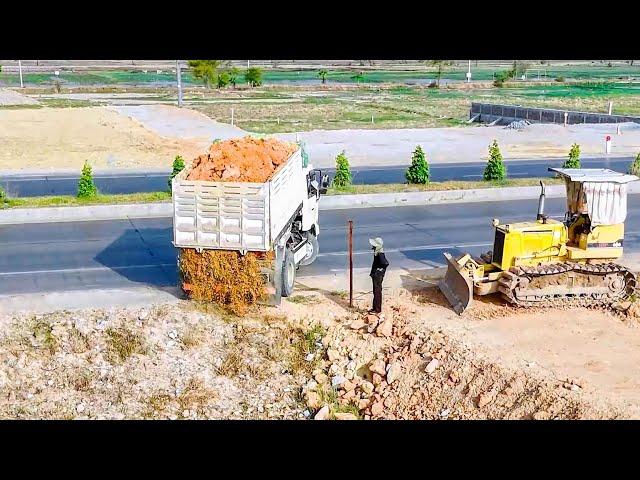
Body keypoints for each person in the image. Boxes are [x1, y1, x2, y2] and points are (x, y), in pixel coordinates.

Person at [369, 237, 389, 314]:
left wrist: (379, 270)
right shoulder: (377, 252)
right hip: (376, 274)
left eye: (374, 245)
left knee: (377, 292)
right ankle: (374, 308)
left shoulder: (380, 253)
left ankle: (377, 309)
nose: (373, 246)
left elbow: (385, 263)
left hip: (378, 275)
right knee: (375, 291)